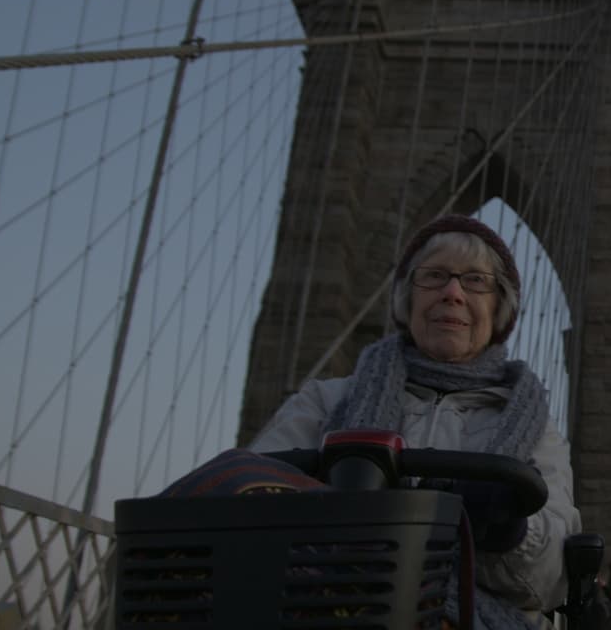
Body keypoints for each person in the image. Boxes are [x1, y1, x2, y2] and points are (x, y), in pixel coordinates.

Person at [249, 214, 581, 630]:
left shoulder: (537, 429)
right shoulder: (323, 400)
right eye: (434, 276)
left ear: (500, 309)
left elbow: (551, 585)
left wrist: (510, 529)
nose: (453, 292)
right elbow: (247, 509)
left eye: (476, 281)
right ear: (407, 299)